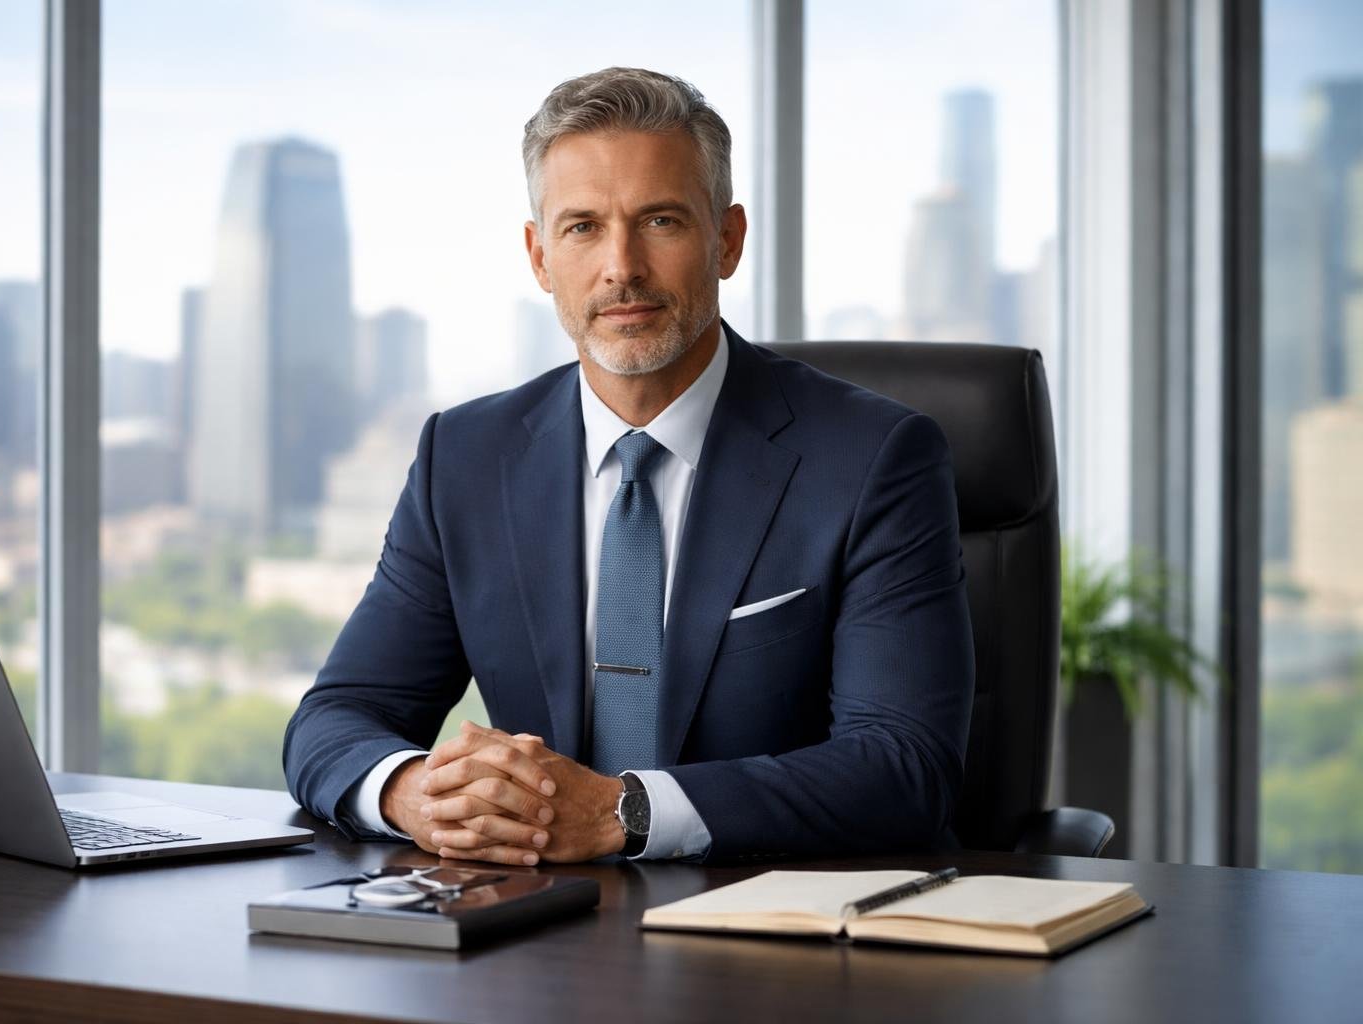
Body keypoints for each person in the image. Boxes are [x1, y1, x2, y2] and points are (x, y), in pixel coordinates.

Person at [283, 67, 974, 866]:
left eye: (661, 221)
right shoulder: (464, 459)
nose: (622, 266)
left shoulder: (873, 458)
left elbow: (903, 766)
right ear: (540, 257)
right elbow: (336, 718)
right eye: (582, 227)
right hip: (535, 930)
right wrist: (413, 793)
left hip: (778, 933)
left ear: (727, 239)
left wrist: (623, 813)